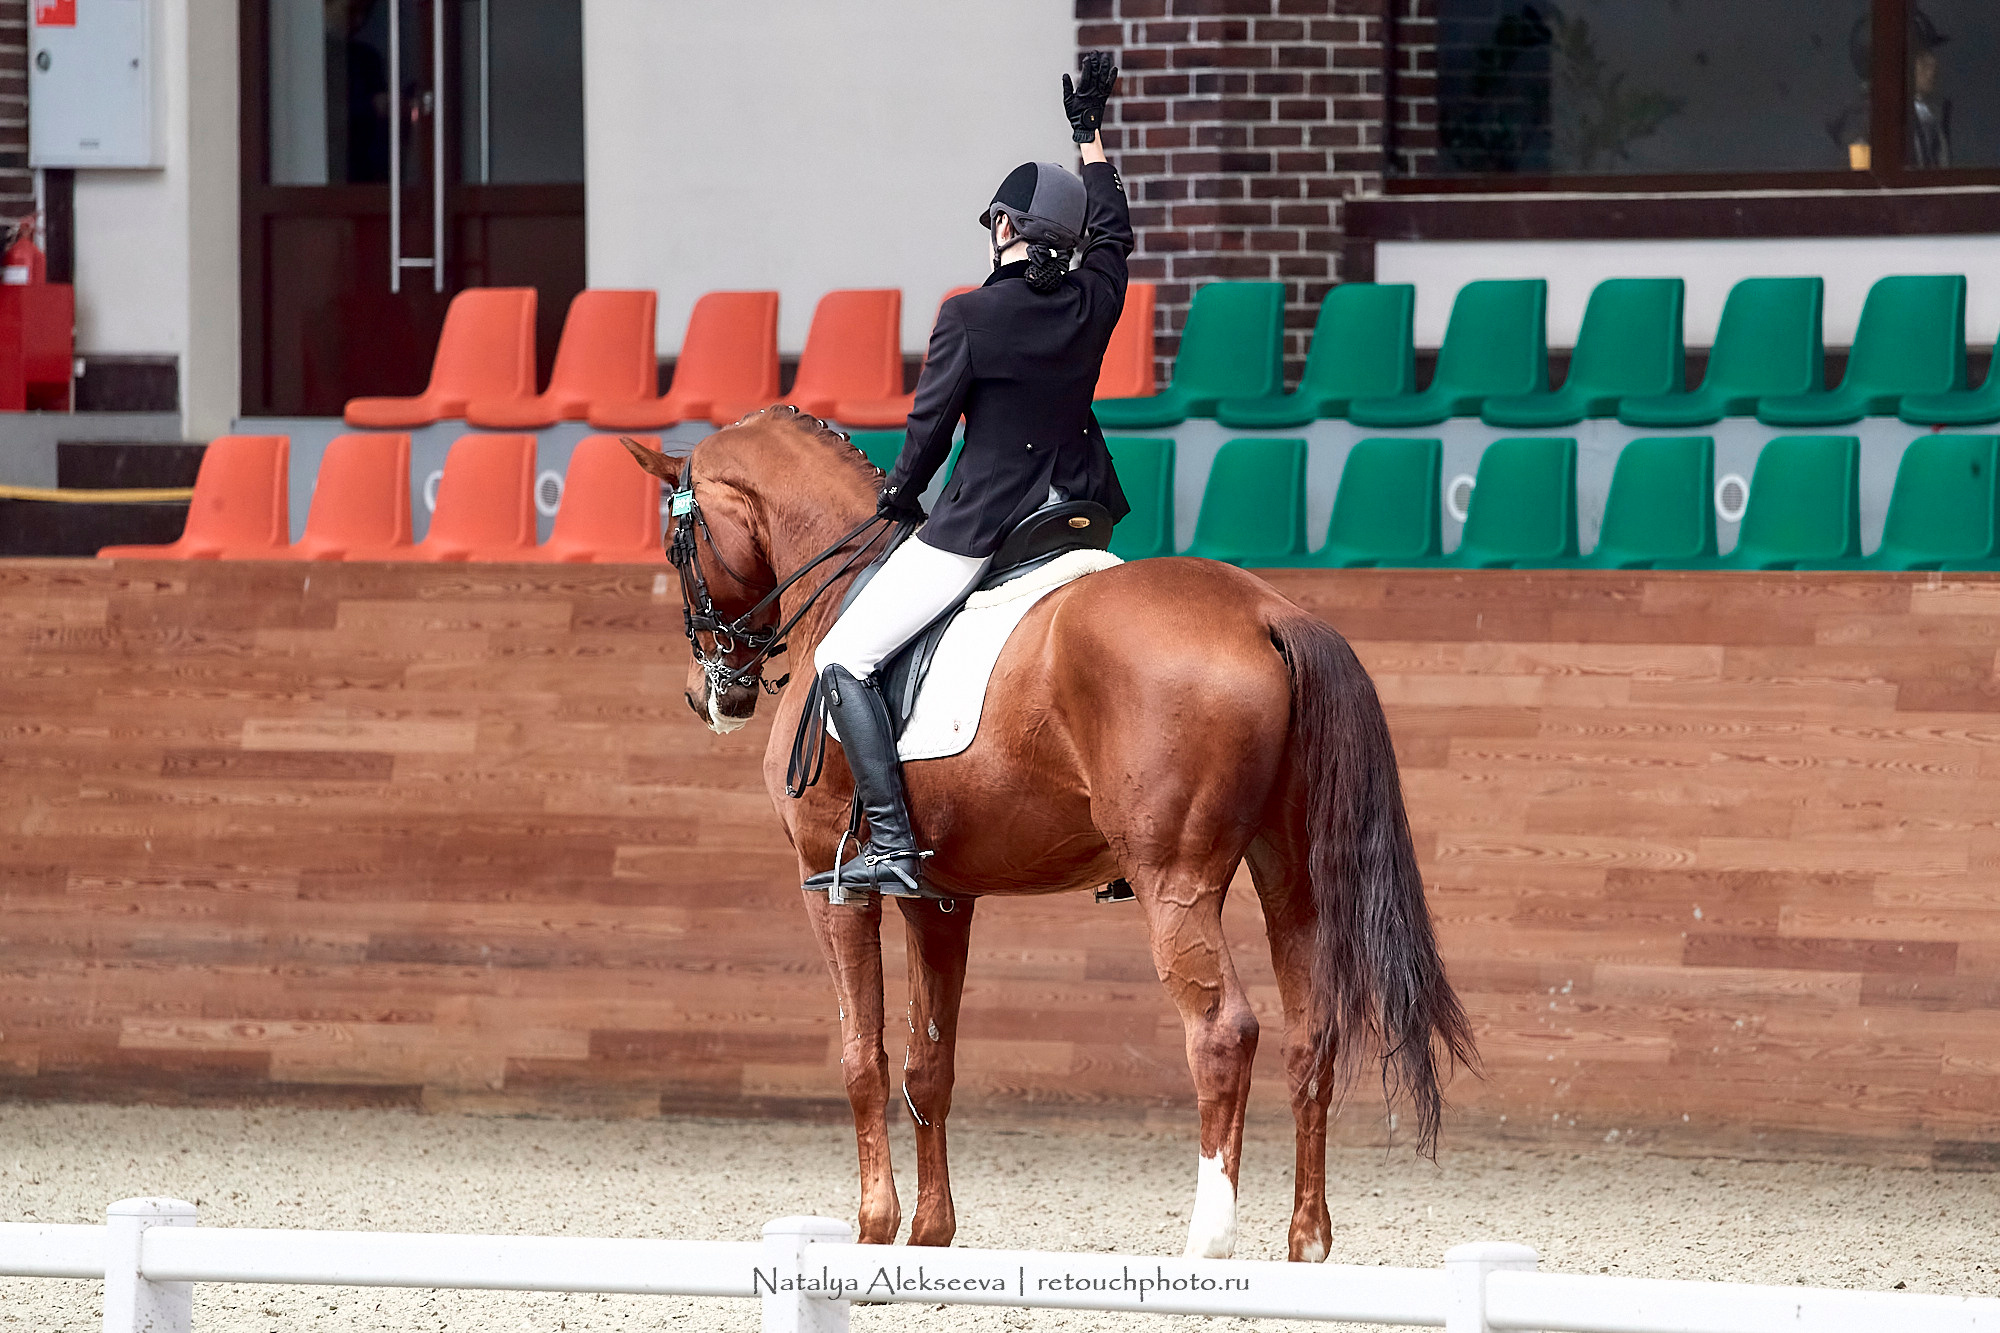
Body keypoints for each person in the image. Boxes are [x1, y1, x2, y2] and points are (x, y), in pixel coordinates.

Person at [805, 50, 1133, 899]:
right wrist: (1090, 137)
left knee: (842, 654)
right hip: (1076, 517)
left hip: (983, 527)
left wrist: (901, 493)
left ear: (1008, 230)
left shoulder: (970, 316)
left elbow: (927, 428)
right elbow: (1117, 230)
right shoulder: (1096, 299)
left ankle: (889, 841)